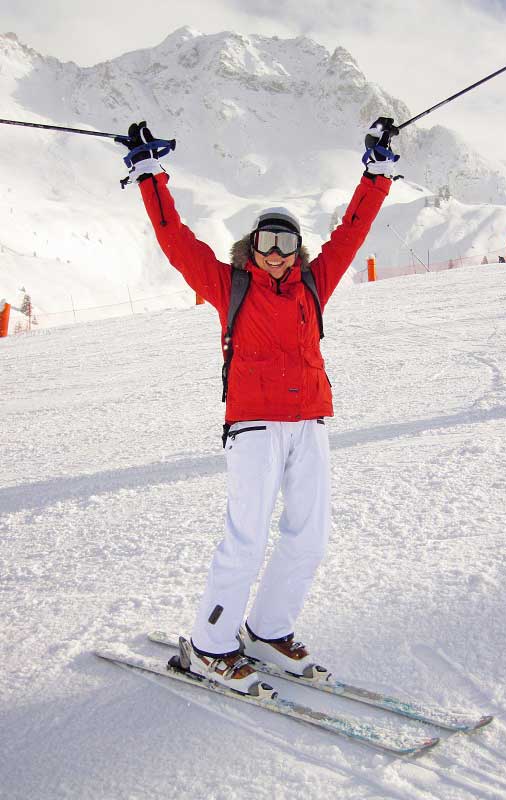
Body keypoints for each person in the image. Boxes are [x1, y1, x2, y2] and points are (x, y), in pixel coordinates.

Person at [121, 118, 401, 696]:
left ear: (298, 250)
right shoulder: (230, 286)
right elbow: (178, 243)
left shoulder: (315, 284)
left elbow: (351, 233)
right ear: (252, 248)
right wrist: (150, 175)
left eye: (287, 243)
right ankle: (209, 646)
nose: (276, 254)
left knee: (310, 534)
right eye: (266, 243)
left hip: (310, 424)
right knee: (246, 536)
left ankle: (268, 630)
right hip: (252, 426)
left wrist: (374, 177)